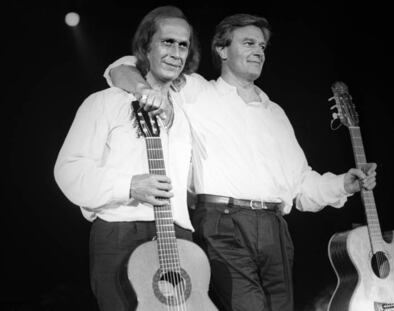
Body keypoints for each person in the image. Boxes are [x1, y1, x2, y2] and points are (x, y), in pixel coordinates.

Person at [104, 13, 377, 311]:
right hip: (223, 223)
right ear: (222, 50)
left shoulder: (275, 113)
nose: (258, 51)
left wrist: (344, 184)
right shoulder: (195, 91)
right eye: (248, 43)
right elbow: (122, 67)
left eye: (262, 45)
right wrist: (144, 91)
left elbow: (301, 185)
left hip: (275, 229)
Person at [54, 6, 201, 311]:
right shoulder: (105, 102)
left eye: (183, 45)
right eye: (167, 42)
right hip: (122, 230)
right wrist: (129, 185)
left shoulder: (185, 113)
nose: (176, 52)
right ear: (146, 47)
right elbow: (69, 170)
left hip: (178, 233)